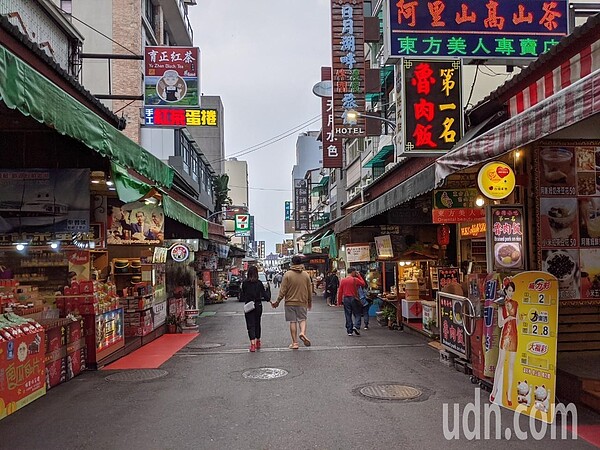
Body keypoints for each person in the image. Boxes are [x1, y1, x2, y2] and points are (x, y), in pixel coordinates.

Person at [271, 255, 312, 349]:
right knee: (302, 319)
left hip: (290, 302)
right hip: (302, 301)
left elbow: (283, 290)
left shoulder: (287, 274)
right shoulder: (305, 275)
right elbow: (309, 289)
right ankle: (302, 333)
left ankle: (295, 343)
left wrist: (277, 302)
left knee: (292, 321)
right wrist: (309, 301)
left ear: (292, 263)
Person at [490, 280, 519, 406]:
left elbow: (518, 322)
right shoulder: (501, 304)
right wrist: (509, 318)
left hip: (514, 335)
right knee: (500, 363)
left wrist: (518, 319)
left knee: (512, 365)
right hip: (505, 335)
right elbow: (501, 324)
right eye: (509, 290)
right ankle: (494, 390)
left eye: (513, 291)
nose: (511, 293)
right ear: (506, 290)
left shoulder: (516, 304)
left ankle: (509, 394)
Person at [240, 265, 269, 352]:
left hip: (249, 305)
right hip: (258, 305)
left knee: (250, 325)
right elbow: (265, 295)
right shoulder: (259, 283)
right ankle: (258, 341)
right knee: (257, 323)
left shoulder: (245, 283)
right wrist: (269, 300)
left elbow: (244, 293)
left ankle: (252, 344)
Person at [337, 267, 366, 336]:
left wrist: (339, 301)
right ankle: (356, 326)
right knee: (357, 314)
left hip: (346, 299)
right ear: (353, 272)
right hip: (354, 298)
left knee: (348, 314)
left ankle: (349, 331)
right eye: (355, 272)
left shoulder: (343, 280)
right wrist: (359, 276)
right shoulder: (355, 279)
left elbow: (340, 291)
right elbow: (363, 283)